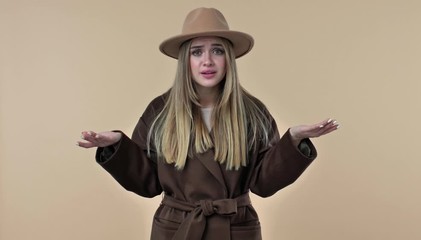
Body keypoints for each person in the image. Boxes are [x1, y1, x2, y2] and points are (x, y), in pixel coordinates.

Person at [77, 7, 339, 240]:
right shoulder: (160, 111)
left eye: (217, 50)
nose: (207, 61)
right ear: (185, 61)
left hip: (236, 228)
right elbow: (148, 184)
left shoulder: (253, 112)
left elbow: (263, 184)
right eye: (197, 52)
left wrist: (292, 142)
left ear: (229, 59)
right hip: (177, 229)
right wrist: (117, 148)